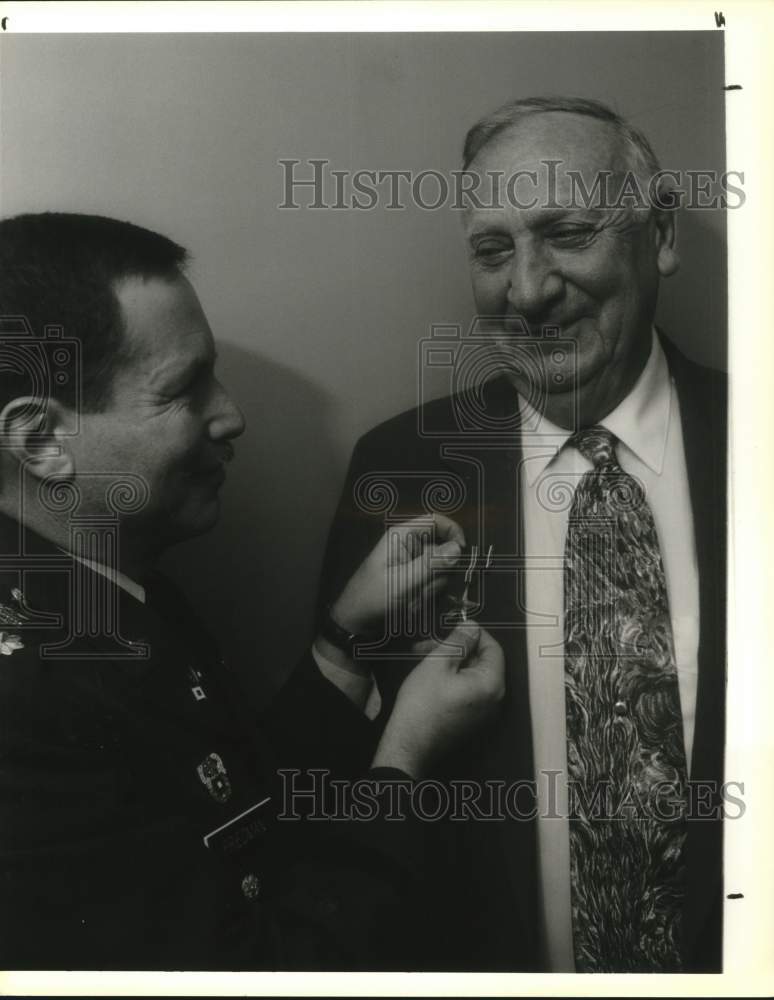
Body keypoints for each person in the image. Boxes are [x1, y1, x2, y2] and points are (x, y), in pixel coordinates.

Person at [0, 212, 505, 971]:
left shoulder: (110, 584)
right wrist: (404, 760)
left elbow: (229, 810)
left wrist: (344, 645)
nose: (231, 414)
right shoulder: (23, 710)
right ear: (42, 441)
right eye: (182, 389)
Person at [317, 97, 727, 972]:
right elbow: (340, 778)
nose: (528, 290)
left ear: (659, 237)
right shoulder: (401, 467)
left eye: (569, 233)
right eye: (493, 250)